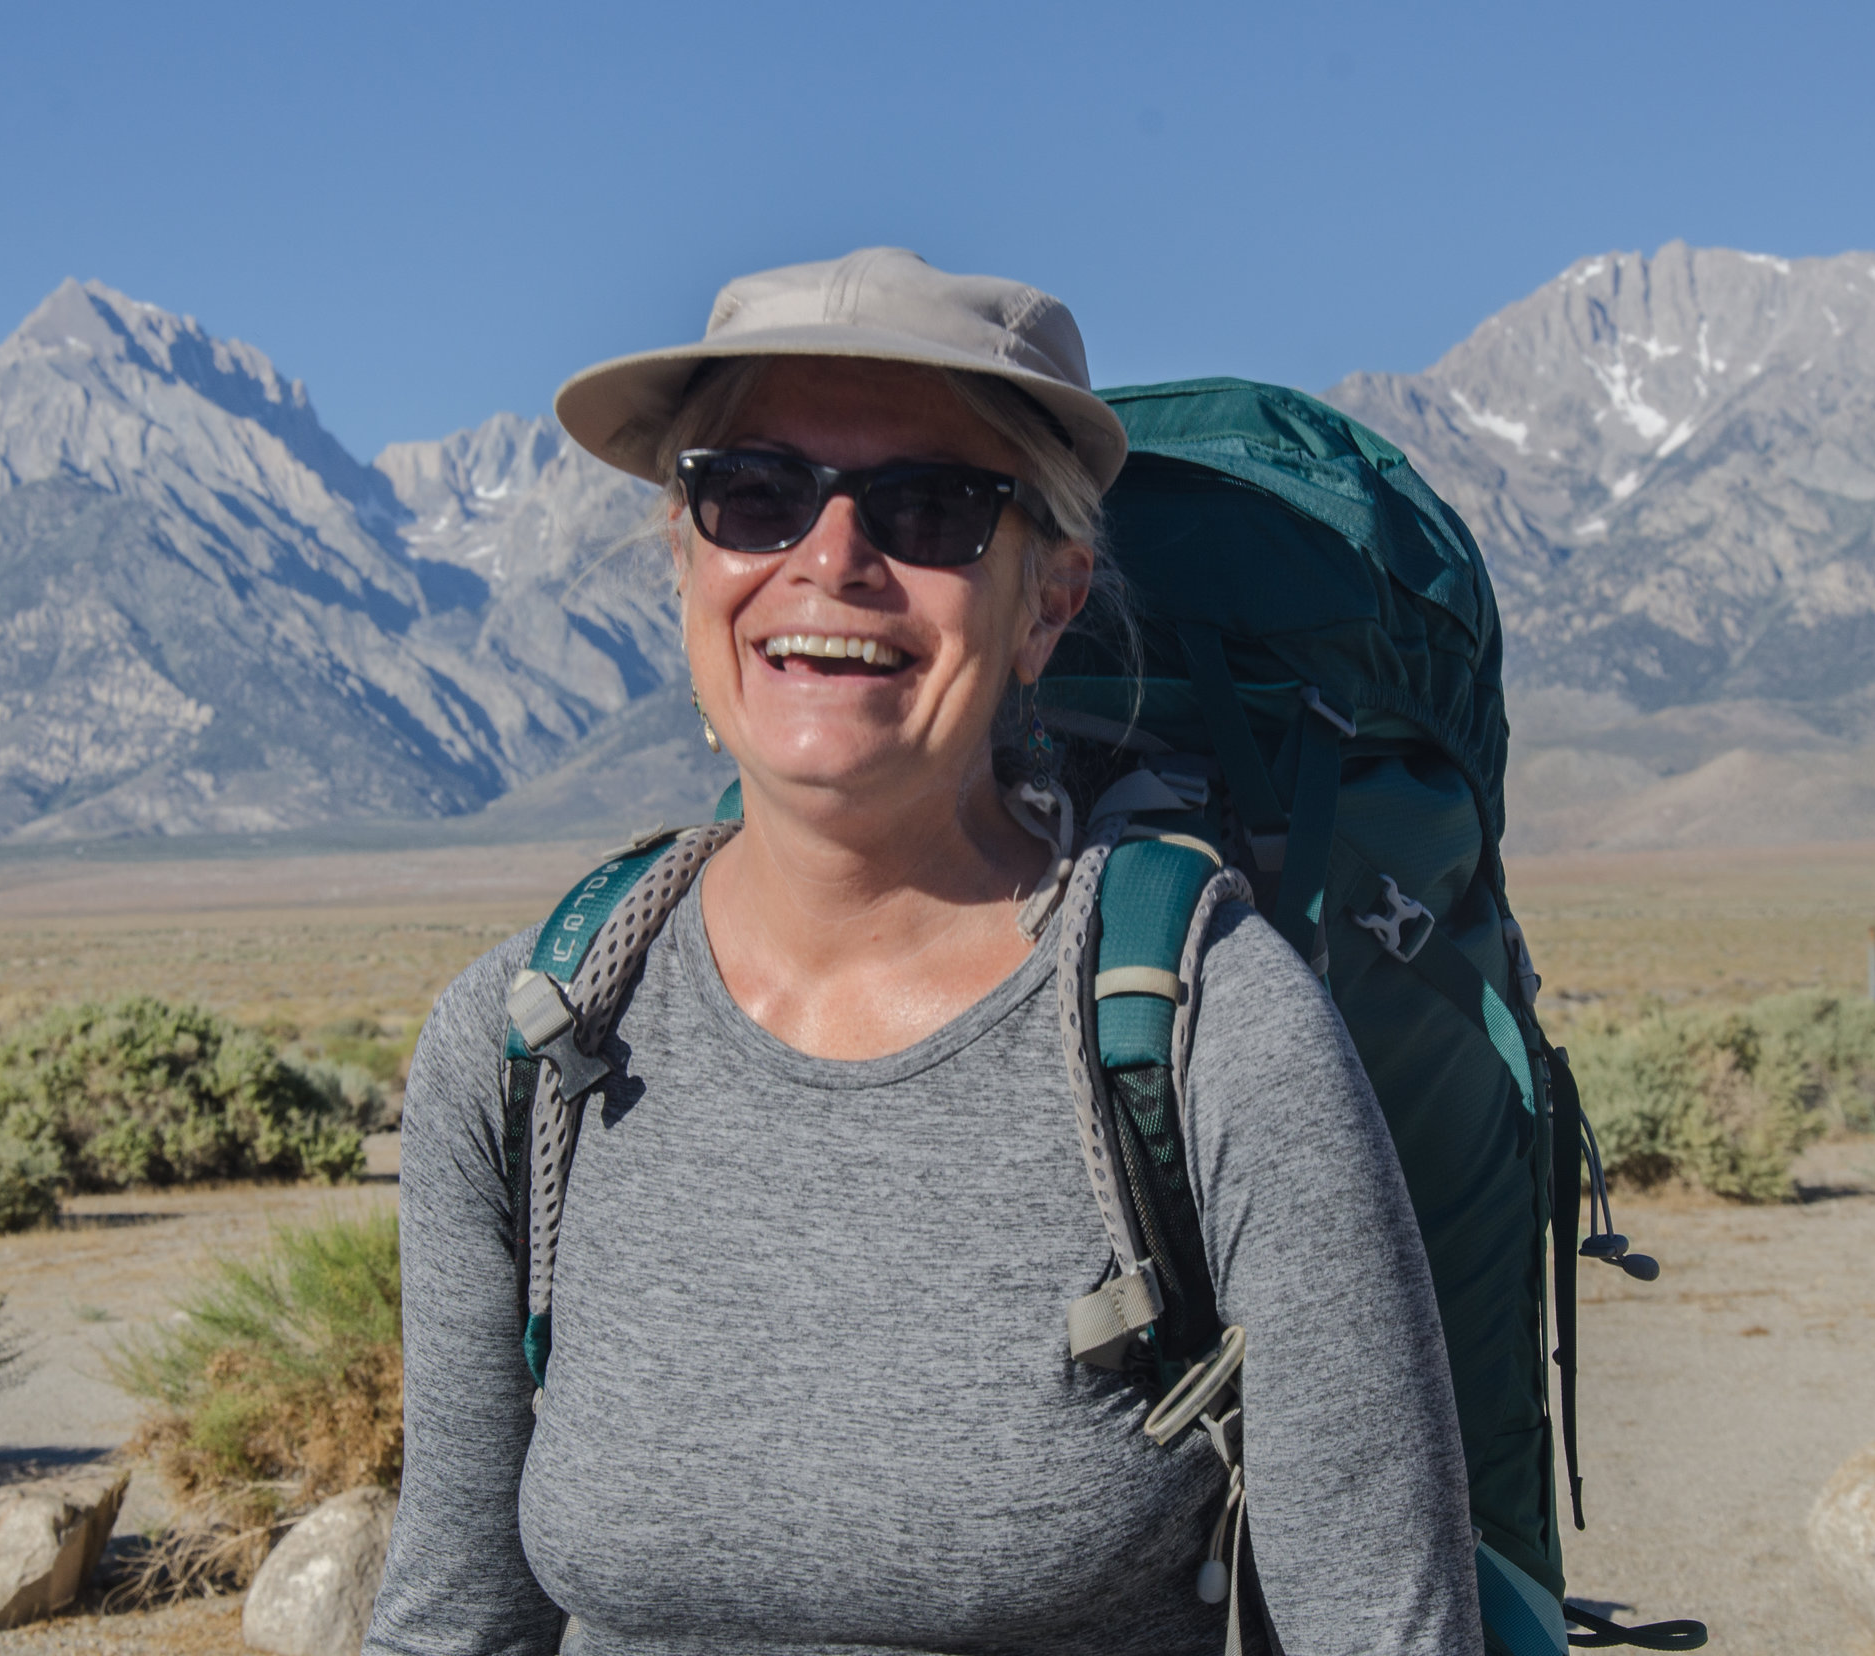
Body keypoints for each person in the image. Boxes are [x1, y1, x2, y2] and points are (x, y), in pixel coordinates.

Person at [366, 248, 1482, 1656]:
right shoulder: (529, 1040)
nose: (830, 560)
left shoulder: (1207, 1032)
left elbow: (1385, 1629)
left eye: (934, 508)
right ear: (684, 557)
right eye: (753, 493)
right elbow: (452, 1624)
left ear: (1050, 602)